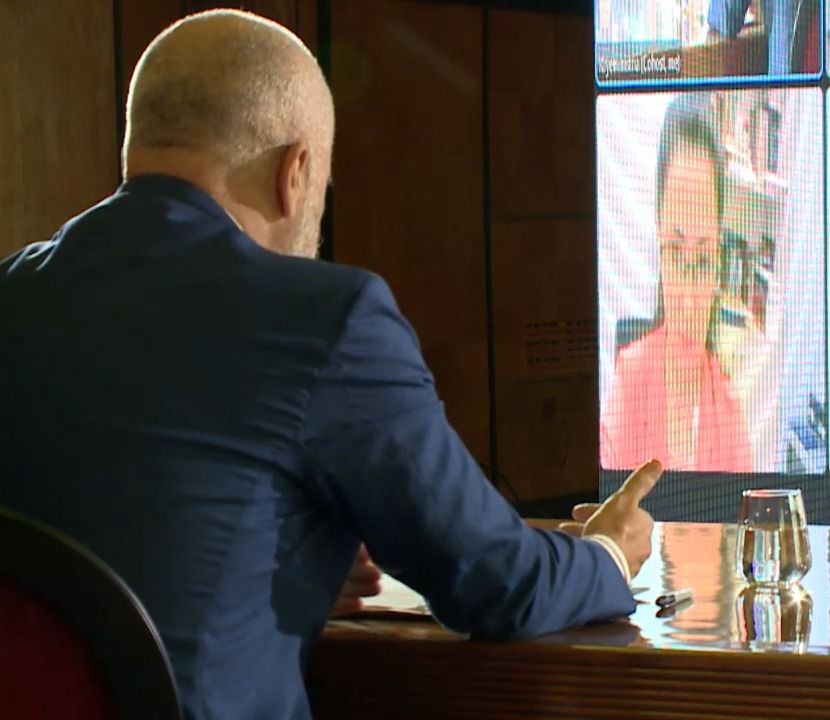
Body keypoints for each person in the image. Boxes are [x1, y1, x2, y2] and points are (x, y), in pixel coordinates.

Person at [0, 10, 661, 719]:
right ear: (295, 172)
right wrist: (609, 553)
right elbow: (496, 582)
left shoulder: (13, 291)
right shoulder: (325, 316)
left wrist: (291, 563)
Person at [600, 94, 752, 472]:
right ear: (658, 235)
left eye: (701, 260)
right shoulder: (629, 380)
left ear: (719, 260)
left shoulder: (732, 413)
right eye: (674, 252)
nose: (685, 300)